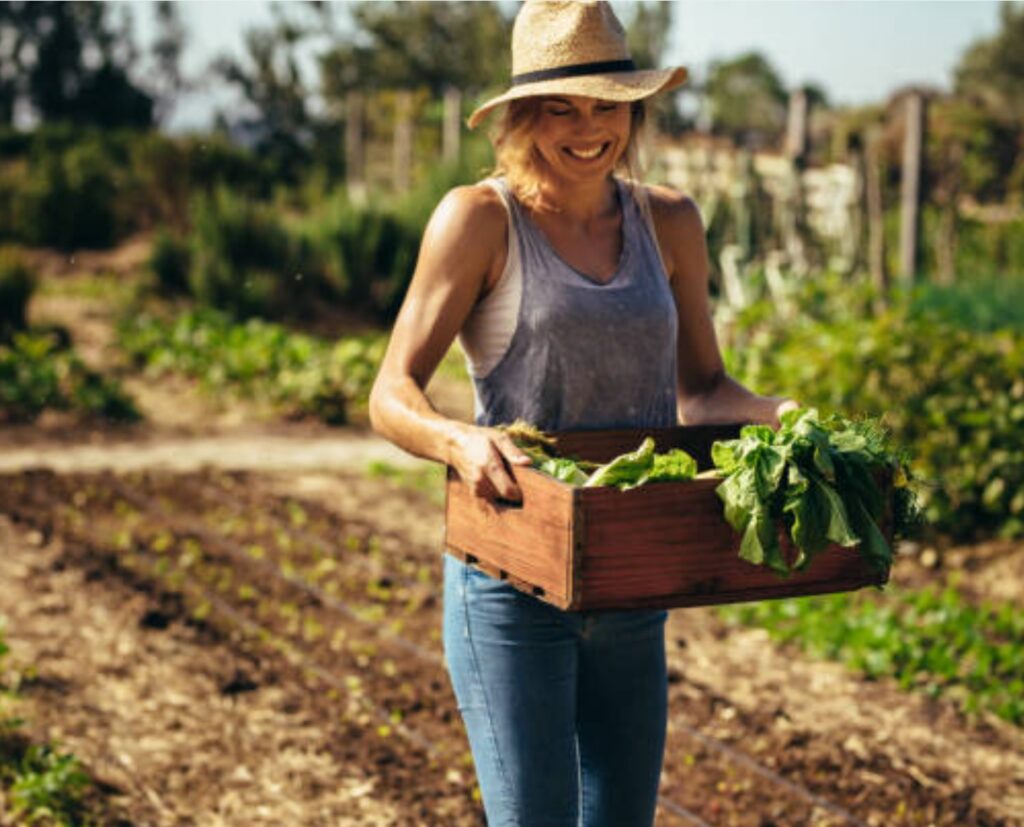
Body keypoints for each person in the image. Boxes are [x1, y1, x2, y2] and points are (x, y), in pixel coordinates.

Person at [369, 2, 797, 824]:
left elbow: (701, 390)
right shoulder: (479, 220)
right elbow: (390, 392)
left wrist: (789, 416)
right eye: (561, 105)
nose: (588, 126)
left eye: (607, 103)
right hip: (511, 580)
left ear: (633, 108)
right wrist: (459, 440)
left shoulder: (669, 222)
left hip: (631, 577)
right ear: (523, 115)